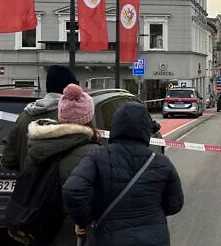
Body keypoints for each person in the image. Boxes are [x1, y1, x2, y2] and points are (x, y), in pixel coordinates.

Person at [63, 102, 184, 246]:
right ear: (146, 129)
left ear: (115, 127)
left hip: (107, 238)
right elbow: (175, 204)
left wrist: (85, 219)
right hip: (153, 238)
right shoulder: (162, 163)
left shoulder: (96, 157)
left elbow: (73, 189)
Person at [18, 84, 101, 246]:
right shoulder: (92, 153)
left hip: (40, 226)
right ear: (88, 118)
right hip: (72, 232)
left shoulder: (38, 145)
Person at [2, 65, 78, 172]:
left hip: (28, 184)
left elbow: (9, 158)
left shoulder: (24, 116)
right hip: (59, 185)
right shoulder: (73, 117)